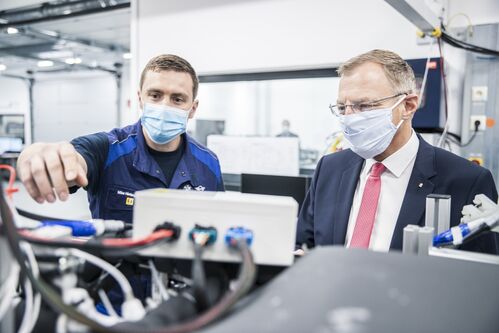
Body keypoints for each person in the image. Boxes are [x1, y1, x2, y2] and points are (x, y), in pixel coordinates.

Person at [296, 49, 498, 254]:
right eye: (342, 108)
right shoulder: (330, 168)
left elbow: (481, 277)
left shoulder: (467, 181)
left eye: (364, 105)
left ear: (408, 106)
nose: (349, 118)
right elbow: (304, 244)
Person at [17, 54, 225, 225]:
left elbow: (219, 222)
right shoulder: (107, 150)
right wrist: (36, 155)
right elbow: (75, 156)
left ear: (193, 109)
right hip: (116, 273)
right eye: (155, 95)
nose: (164, 106)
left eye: (177, 99)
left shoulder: (209, 163)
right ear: (140, 99)